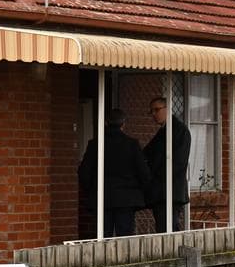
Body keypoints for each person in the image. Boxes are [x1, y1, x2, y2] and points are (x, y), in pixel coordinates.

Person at [78, 108, 151, 237]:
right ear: (124, 124)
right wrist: (139, 191)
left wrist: (91, 189)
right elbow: (144, 173)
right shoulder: (132, 144)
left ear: (106, 122)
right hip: (126, 198)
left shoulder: (95, 144)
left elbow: (84, 172)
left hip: (102, 196)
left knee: (103, 236)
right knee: (125, 236)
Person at [143, 96, 191, 232]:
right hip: (162, 190)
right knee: (164, 226)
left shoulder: (179, 130)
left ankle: (173, 252)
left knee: (167, 228)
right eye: (151, 111)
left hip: (170, 189)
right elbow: (146, 153)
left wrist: (155, 175)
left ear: (167, 109)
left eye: (156, 110)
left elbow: (179, 162)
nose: (153, 114)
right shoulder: (164, 131)